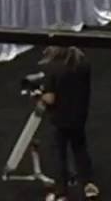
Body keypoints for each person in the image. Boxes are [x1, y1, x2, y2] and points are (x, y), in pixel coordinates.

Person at [41, 47, 98, 201]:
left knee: (59, 155)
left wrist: (41, 94)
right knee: (80, 150)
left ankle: (61, 193)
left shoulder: (53, 68)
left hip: (60, 120)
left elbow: (50, 98)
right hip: (79, 117)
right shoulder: (84, 65)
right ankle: (89, 185)